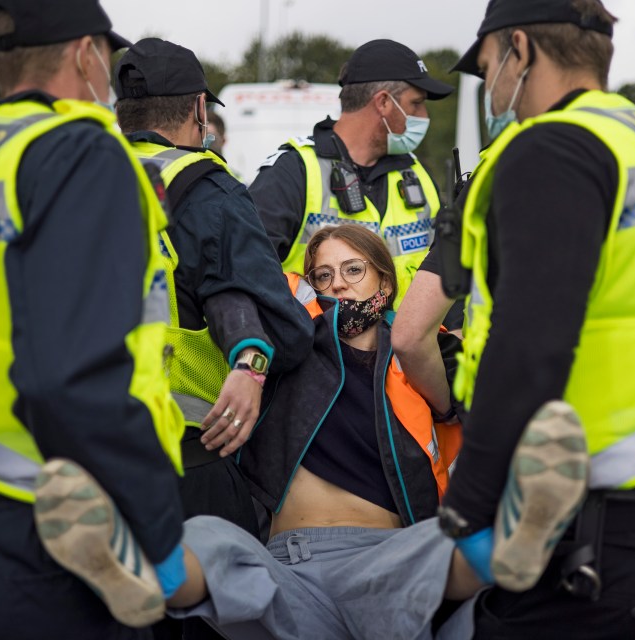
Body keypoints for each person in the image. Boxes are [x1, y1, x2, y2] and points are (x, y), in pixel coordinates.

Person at [32, 224, 594, 639]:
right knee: (215, 542)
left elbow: (478, 391)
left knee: (439, 545)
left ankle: (512, 542)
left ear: (383, 277)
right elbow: (222, 303)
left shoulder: (427, 354)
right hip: (285, 567)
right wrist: (250, 360)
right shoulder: (286, 349)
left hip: (388, 560)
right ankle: (136, 573)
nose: (340, 286)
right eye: (324, 275)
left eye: (354, 271)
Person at [436, 0, 635, 637]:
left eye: (491, 63)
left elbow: (530, 345)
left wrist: (466, 510)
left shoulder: (552, 150)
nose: (491, 86)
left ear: (521, 50)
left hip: (606, 561)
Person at [0, 1, 189, 638]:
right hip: (44, 545)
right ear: (84, 53)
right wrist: (158, 539)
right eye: (108, 56)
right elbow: (72, 379)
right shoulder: (78, 153)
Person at [113, 37, 315, 640]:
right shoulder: (207, 189)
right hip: (191, 457)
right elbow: (285, 330)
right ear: (201, 110)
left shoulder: (85, 177)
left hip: (86, 450)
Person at [248, 39, 455, 304]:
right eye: (416, 104)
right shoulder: (292, 172)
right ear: (383, 102)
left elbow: (446, 273)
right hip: (315, 345)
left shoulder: (417, 174)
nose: (424, 115)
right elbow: (246, 274)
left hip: (405, 346)